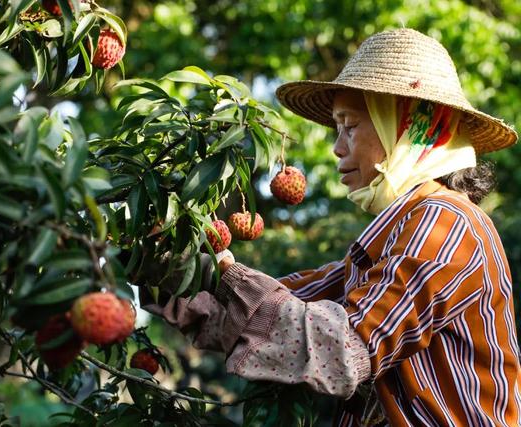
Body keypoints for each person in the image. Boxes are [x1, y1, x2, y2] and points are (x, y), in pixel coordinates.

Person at [141, 28, 521, 426]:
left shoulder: (445, 226)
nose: (338, 148)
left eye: (350, 126)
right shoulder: (398, 237)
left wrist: (225, 275)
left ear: (405, 125)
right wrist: (172, 268)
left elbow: (340, 349)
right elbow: (285, 312)